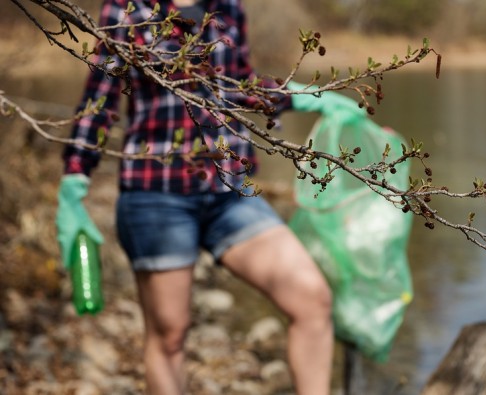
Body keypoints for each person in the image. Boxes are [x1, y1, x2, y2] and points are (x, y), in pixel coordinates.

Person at [54, 0, 359, 394]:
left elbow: (238, 86)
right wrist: (75, 178)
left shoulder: (228, 7)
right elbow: (100, 99)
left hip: (230, 192)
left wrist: (301, 95)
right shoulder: (127, 9)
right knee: (169, 335)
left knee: (311, 298)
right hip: (156, 193)